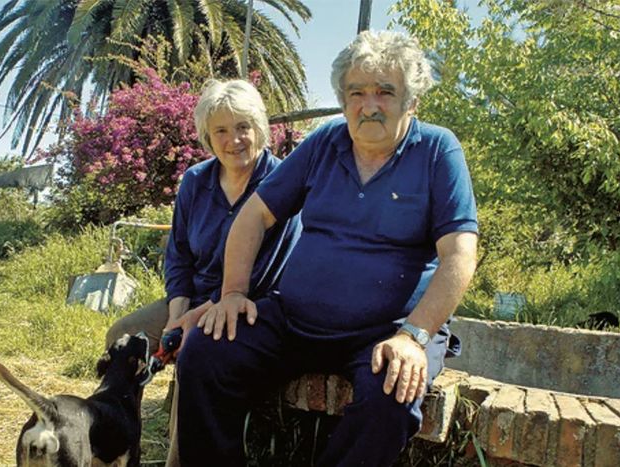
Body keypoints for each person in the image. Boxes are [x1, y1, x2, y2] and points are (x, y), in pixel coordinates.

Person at [176, 30, 479, 466]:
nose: (369, 105)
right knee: (206, 353)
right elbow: (252, 217)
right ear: (343, 99)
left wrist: (415, 336)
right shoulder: (325, 142)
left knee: (392, 395)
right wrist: (234, 294)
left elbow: (459, 255)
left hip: (389, 330)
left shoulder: (436, 150)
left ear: (411, 101)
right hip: (295, 319)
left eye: (384, 92)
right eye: (356, 92)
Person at [104, 79, 301, 466]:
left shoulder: (281, 181)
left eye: (243, 127)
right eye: (221, 131)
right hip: (190, 297)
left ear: (260, 126)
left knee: (195, 353)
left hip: (245, 305)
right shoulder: (196, 181)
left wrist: (194, 320)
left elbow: (266, 271)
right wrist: (177, 311)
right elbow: (178, 255)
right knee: (122, 336)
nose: (234, 140)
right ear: (208, 137)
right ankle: (123, 442)